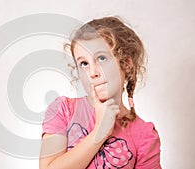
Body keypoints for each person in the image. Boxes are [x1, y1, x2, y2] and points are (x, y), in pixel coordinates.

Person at [39, 16, 161, 169]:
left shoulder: (144, 134)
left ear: (126, 64)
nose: (92, 72)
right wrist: (99, 132)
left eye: (102, 58)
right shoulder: (64, 110)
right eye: (84, 63)